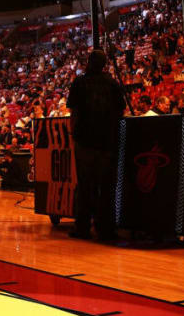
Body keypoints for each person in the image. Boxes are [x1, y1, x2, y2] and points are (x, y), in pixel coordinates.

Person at [67, 50, 126, 241]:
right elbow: (120, 110)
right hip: (107, 141)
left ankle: (82, 227)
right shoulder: (112, 83)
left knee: (85, 186)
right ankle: (105, 229)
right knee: (106, 187)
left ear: (89, 63)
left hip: (85, 141)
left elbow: (74, 112)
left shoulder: (79, 82)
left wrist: (73, 134)